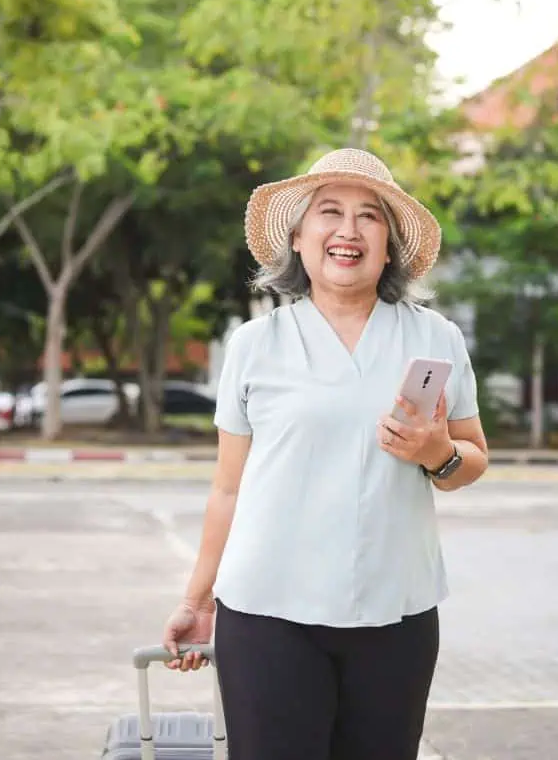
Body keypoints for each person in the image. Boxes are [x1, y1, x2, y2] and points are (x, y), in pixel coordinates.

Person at [162, 148, 488, 760]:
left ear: (388, 245)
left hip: (397, 612)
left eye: (370, 216)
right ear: (300, 237)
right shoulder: (255, 344)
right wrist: (196, 599)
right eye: (329, 212)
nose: (348, 230)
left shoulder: (433, 337)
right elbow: (229, 488)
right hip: (267, 615)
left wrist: (437, 452)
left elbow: (471, 459)